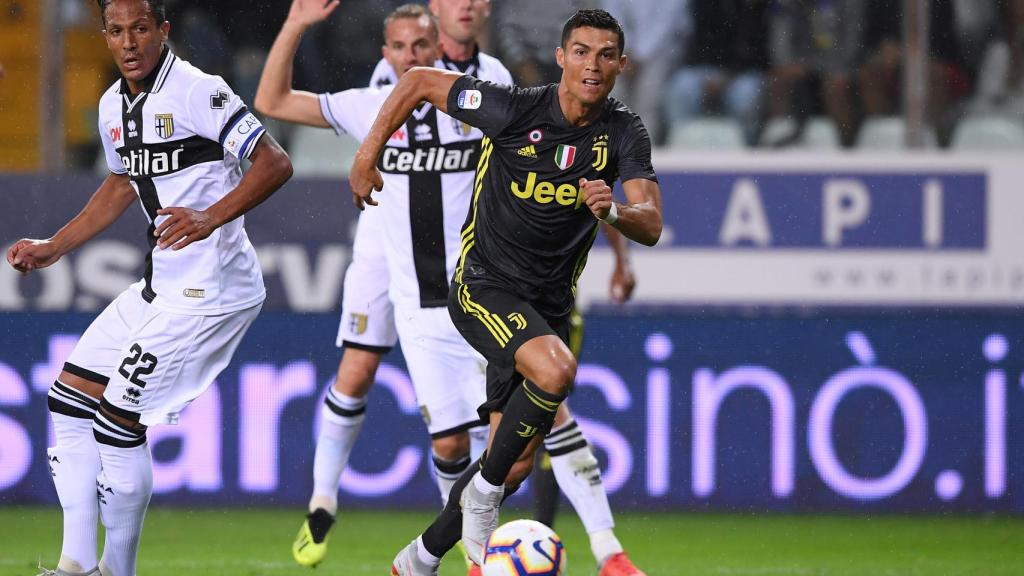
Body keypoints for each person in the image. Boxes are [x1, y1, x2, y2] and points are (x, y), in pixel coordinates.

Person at [349, 8, 662, 576]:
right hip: (482, 288)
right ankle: (489, 498)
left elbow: (652, 223)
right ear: (562, 58)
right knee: (556, 373)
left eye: (605, 55)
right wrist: (367, 155)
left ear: (621, 64)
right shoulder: (515, 108)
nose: (593, 65)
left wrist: (613, 209)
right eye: (582, 52)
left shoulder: (623, 131)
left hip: (546, 308)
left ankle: (419, 557)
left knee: (514, 463)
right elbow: (418, 82)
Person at [8, 1, 293, 575]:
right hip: (160, 284)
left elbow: (274, 162)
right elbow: (120, 182)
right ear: (106, 36)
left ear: (162, 31)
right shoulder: (114, 104)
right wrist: (55, 246)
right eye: (116, 31)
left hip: (212, 290)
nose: (128, 41)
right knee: (67, 400)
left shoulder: (196, 89)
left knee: (117, 419)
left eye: (140, 28)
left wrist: (209, 217)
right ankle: (76, 564)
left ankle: (118, 572)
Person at [254, 0, 510, 568]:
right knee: (364, 374)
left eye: (422, 47)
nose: (412, 56)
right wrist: (296, 24)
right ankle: (323, 500)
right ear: (385, 53)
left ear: (437, 45)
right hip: (404, 278)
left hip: (476, 285)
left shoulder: (474, 95)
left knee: (497, 442)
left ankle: (470, 546)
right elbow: (271, 102)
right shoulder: (370, 103)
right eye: (400, 47)